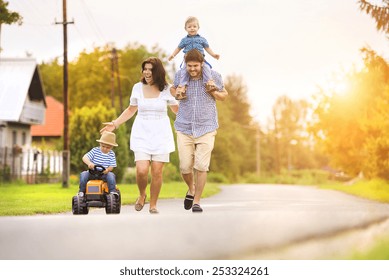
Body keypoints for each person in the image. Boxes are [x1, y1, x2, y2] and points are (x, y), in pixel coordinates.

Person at [100, 57, 178, 214]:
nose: (147, 72)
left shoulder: (167, 89)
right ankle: (142, 195)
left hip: (161, 133)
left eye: (150, 69)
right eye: (145, 69)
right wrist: (114, 124)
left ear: (158, 72)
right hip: (141, 131)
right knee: (142, 170)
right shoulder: (137, 87)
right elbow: (131, 109)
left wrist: (188, 124)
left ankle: (153, 204)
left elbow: (177, 110)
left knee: (156, 171)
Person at [170, 49, 228, 213]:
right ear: (185, 65)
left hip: (206, 127)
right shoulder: (180, 75)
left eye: (195, 66)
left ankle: (197, 201)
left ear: (202, 64)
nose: (193, 69)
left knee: (201, 166)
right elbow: (172, 90)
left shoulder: (213, 76)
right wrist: (177, 94)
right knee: (185, 167)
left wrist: (214, 92)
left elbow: (225, 95)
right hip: (184, 126)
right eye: (189, 66)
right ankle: (191, 188)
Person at [168, 16, 220, 100]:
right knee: (184, 72)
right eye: (189, 27)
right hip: (188, 59)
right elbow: (178, 48)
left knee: (206, 68)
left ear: (198, 27)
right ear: (185, 28)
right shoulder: (184, 40)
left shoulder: (202, 39)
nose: (192, 28)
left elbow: (207, 48)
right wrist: (173, 55)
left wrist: (214, 55)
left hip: (200, 59)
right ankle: (182, 88)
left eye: (194, 26)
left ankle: (209, 83)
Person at [78, 131, 118, 197]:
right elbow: (84, 157)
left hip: (103, 174)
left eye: (108, 147)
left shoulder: (111, 154)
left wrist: (107, 170)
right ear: (100, 143)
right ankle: (81, 191)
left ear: (111, 147)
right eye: (103, 146)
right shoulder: (95, 150)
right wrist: (89, 163)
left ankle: (112, 192)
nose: (105, 148)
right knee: (83, 174)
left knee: (111, 175)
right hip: (92, 173)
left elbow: (112, 166)